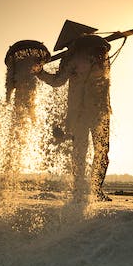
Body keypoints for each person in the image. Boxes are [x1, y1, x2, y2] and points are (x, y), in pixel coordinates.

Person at [36, 27, 113, 202]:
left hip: (96, 112)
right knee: (91, 152)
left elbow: (57, 81)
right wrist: (40, 72)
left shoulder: (82, 56)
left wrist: (40, 72)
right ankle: (86, 190)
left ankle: (91, 190)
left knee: (91, 152)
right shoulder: (95, 53)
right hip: (91, 112)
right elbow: (58, 81)